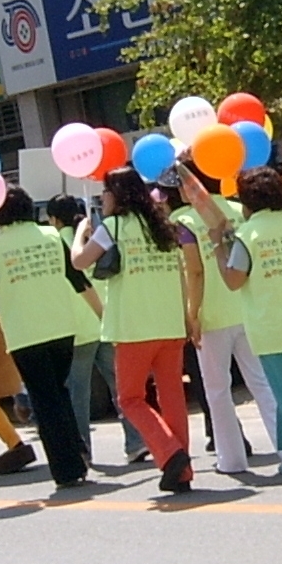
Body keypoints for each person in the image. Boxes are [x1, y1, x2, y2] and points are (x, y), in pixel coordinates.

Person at [185, 167, 282, 491]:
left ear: (247, 200)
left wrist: (218, 245)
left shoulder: (249, 235)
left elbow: (233, 280)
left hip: (274, 330)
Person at [0, 187, 89, 490]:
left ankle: (67, 469)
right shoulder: (52, 237)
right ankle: (77, 455)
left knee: (45, 402)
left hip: (26, 336)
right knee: (60, 395)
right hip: (62, 328)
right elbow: (77, 279)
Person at [73, 165, 195, 493]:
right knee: (172, 397)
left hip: (133, 327)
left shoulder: (112, 227)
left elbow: (80, 262)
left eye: (105, 193)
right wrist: (187, 316)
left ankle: (170, 454)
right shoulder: (165, 227)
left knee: (130, 398)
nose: (102, 198)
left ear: (116, 195)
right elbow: (183, 275)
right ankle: (181, 469)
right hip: (169, 323)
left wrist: (80, 234)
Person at [170, 167, 278, 475]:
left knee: (217, 390)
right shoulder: (239, 211)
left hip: (213, 316)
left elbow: (195, 271)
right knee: (261, 383)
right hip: (247, 308)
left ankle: (231, 459)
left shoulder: (186, 220)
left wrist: (192, 314)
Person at [45, 195, 121, 465]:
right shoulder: (95, 236)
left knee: (79, 394)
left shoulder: (54, 243)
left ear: (54, 219)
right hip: (106, 319)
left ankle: (83, 449)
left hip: (78, 328)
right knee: (120, 386)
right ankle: (137, 441)